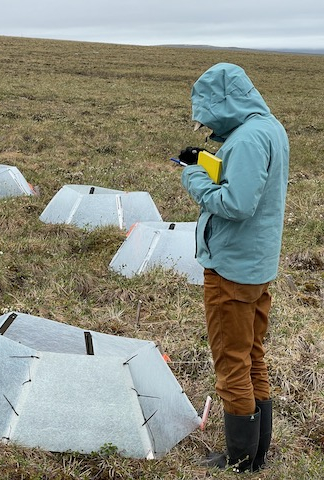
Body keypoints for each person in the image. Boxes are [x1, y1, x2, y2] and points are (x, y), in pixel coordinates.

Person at [178, 63, 289, 472]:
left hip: (232, 270)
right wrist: (210, 163)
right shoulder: (269, 128)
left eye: (207, 112)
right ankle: (256, 455)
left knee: (231, 365)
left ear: (224, 102)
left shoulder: (246, 139)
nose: (205, 123)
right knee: (251, 356)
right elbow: (248, 183)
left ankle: (240, 460)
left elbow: (237, 204)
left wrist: (193, 177)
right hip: (257, 267)